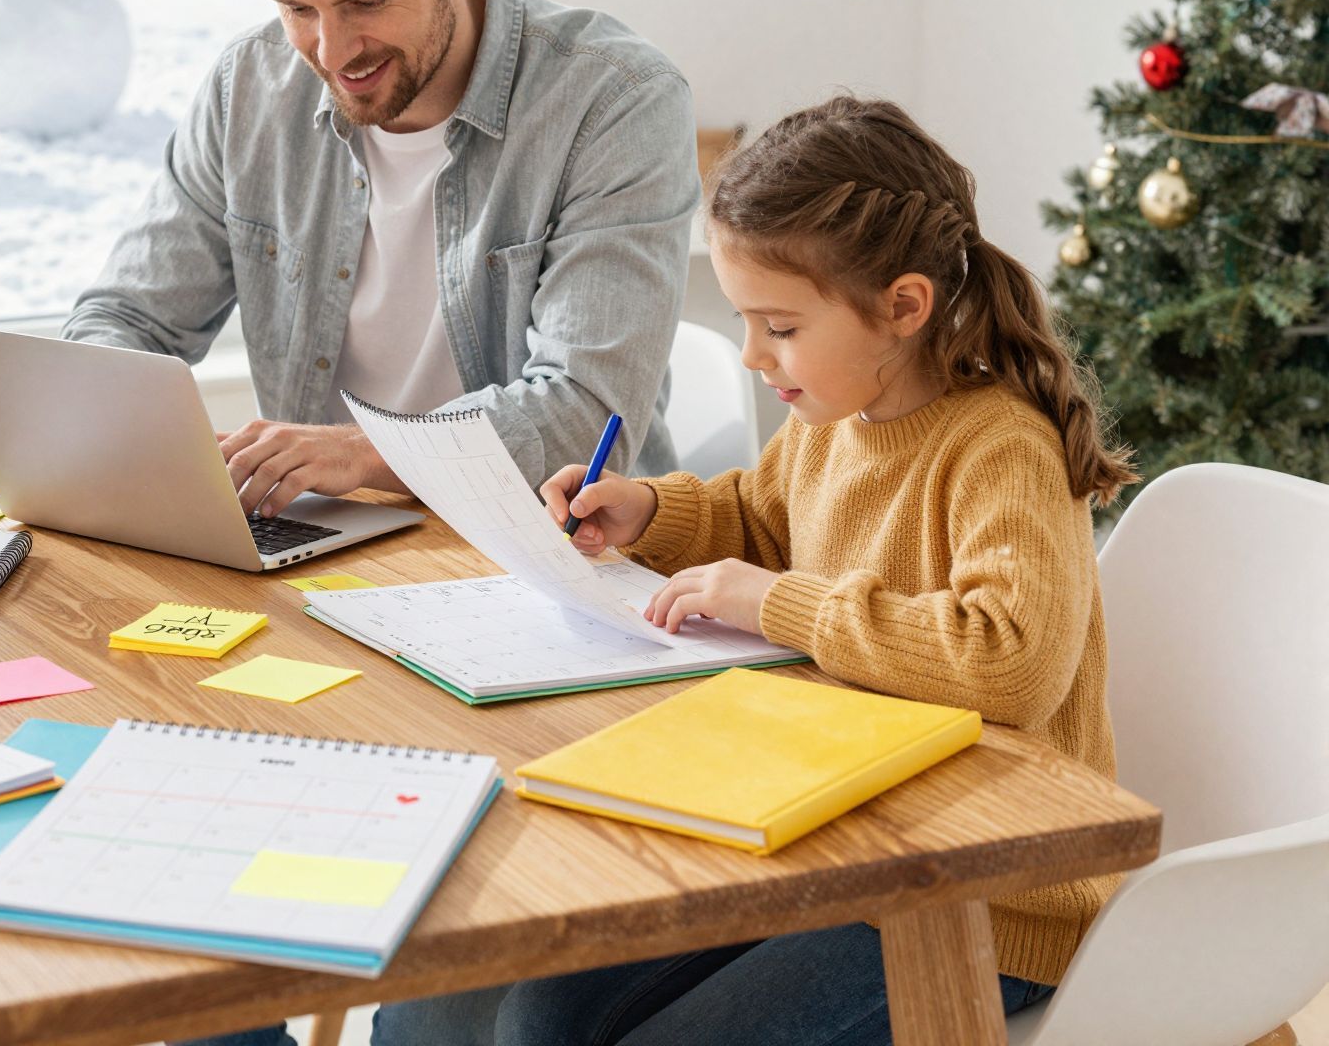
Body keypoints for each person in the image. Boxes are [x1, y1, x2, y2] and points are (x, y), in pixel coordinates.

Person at [185, 96, 1126, 1046]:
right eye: (747, 323)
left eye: (781, 327)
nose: (756, 355)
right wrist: (651, 511)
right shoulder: (836, 418)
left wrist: (780, 605)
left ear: (904, 307)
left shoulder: (1001, 444)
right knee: (540, 1014)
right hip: (832, 832)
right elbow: (760, 520)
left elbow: (1009, 660)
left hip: (982, 894)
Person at [65, 0, 697, 516]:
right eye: (298, 8)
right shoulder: (250, 87)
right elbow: (127, 318)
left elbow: (589, 416)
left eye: (368, 2)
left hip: (552, 553)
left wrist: (361, 454)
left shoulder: (614, 101)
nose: (332, 51)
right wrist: (122, 419)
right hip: (330, 546)